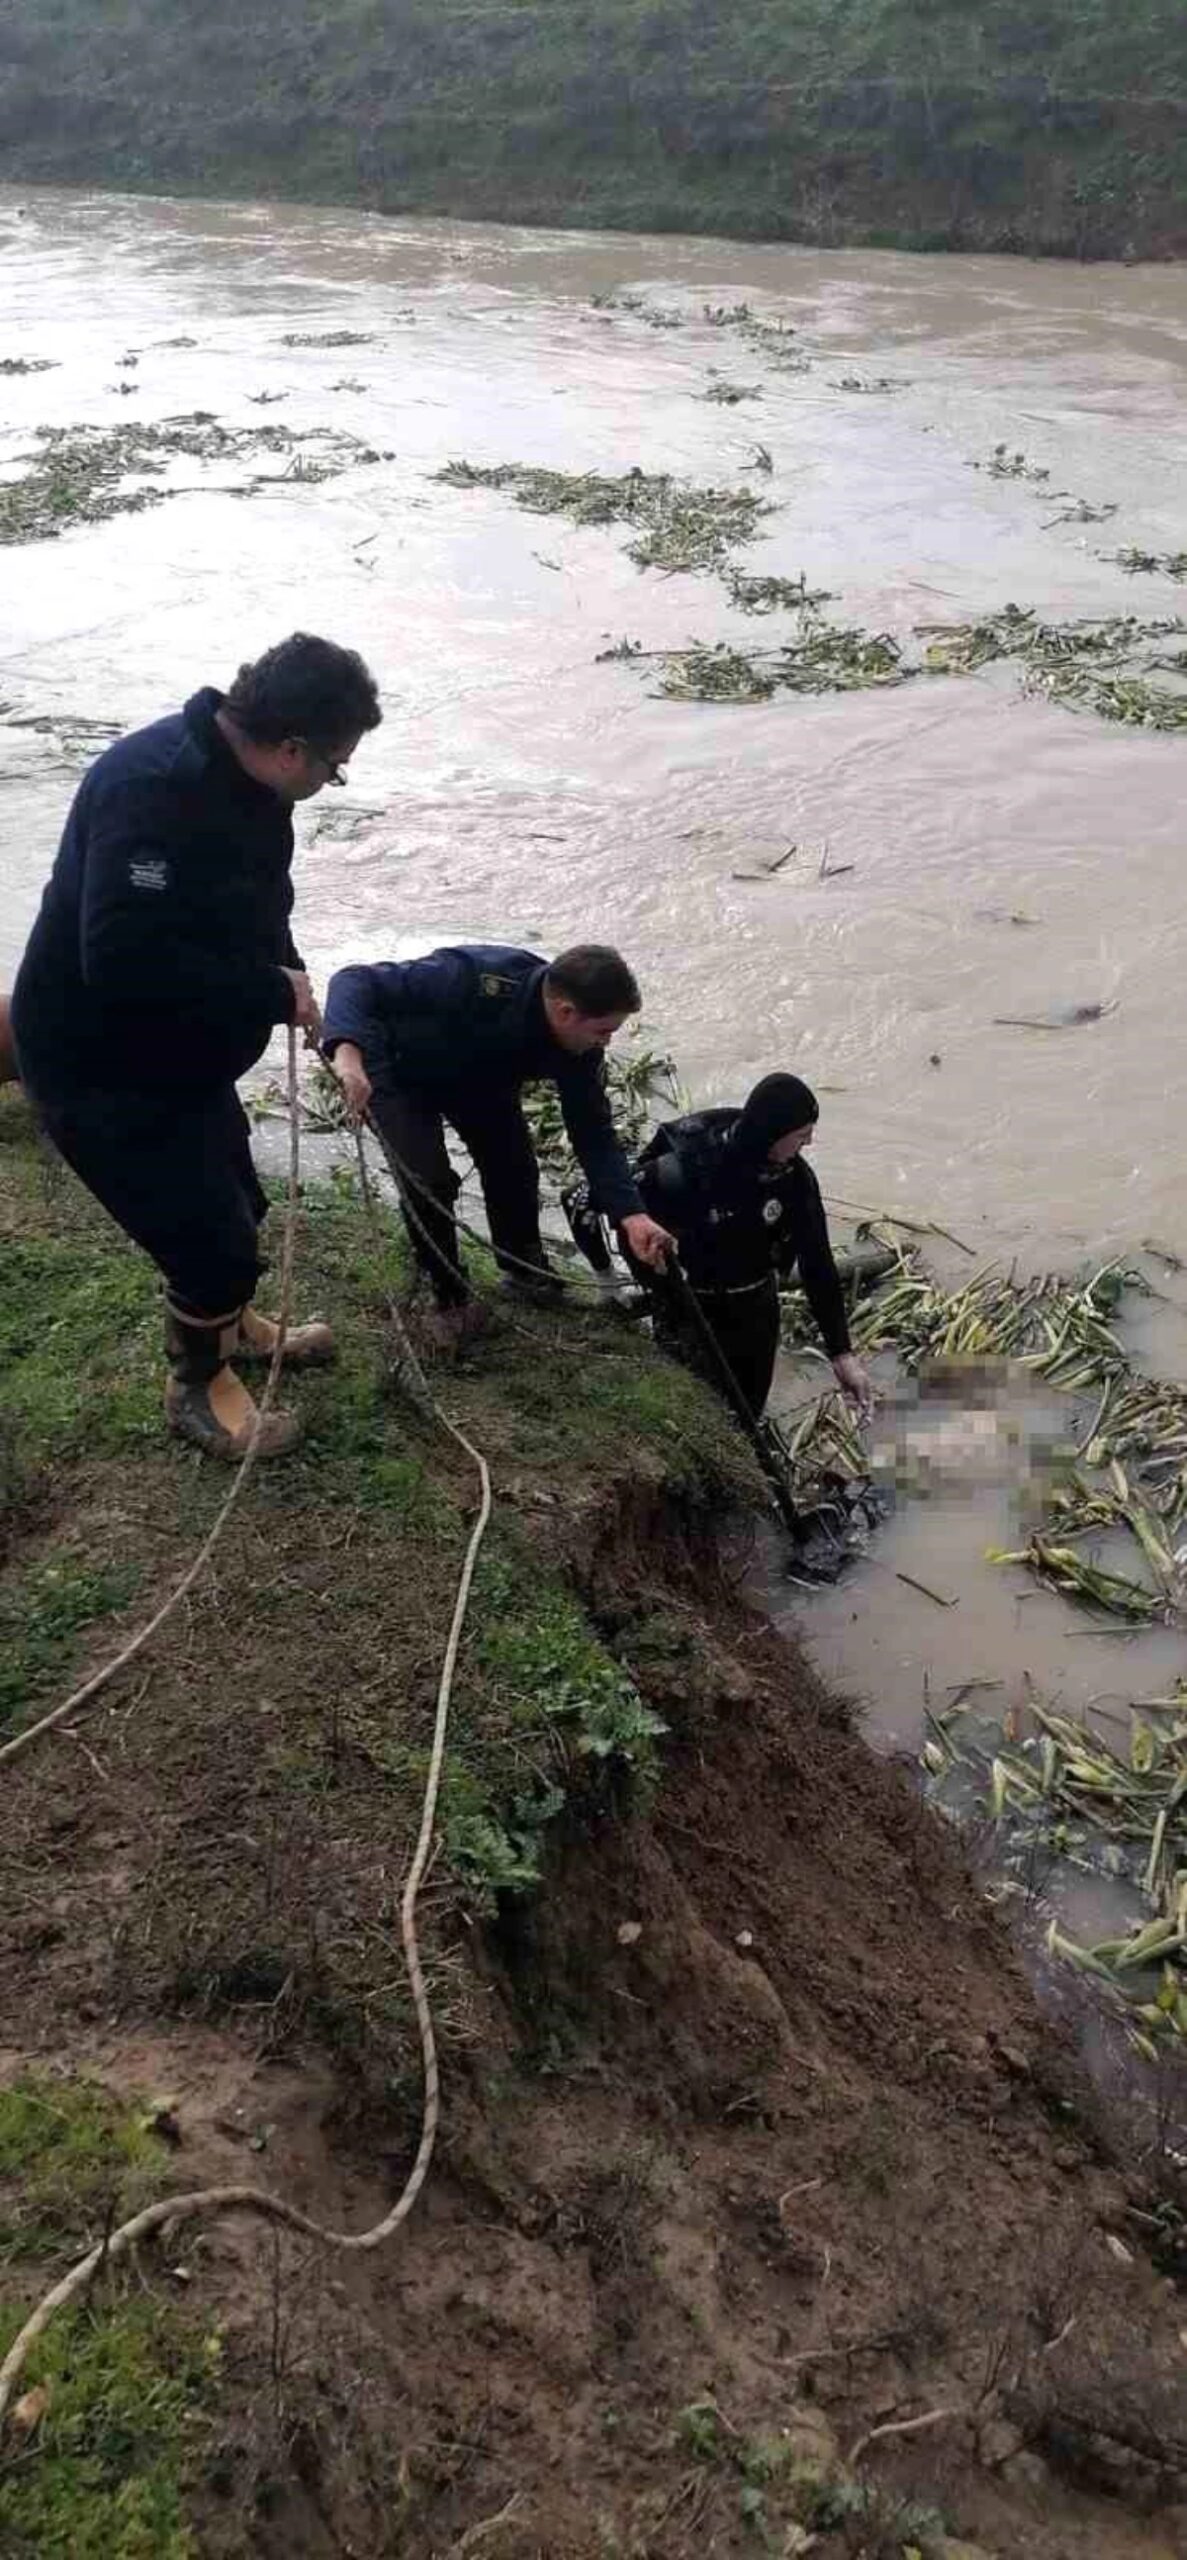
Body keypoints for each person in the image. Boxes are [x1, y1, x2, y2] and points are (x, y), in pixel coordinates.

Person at [10, 632, 382, 1460]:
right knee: (207, 1241)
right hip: (99, 1061)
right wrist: (264, 993)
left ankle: (235, 1326)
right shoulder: (150, 791)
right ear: (290, 748)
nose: (331, 781)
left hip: (181, 1052)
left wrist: (290, 971)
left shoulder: (256, 788)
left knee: (240, 1202)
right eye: (335, 767)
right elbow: (117, 959)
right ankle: (198, 1385)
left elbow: (260, 898)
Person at [323, 942, 674, 1344]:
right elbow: (353, 981)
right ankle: (448, 1296)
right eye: (604, 1031)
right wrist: (347, 1056)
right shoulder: (472, 977)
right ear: (566, 1012)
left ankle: (523, 1269)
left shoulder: (581, 1049)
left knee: (515, 1166)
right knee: (429, 1181)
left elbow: (594, 1135)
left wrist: (631, 1215)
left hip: (480, 1079)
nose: (607, 1043)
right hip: (396, 1072)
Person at [617, 1072, 874, 1421]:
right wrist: (645, 1281)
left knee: (748, 1409)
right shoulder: (685, 1169)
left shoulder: (794, 1180)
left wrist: (842, 1354)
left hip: (756, 1305)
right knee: (689, 1406)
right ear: (771, 1133)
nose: (810, 1142)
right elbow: (619, 1214)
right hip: (689, 1306)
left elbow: (818, 1264)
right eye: (801, 1134)